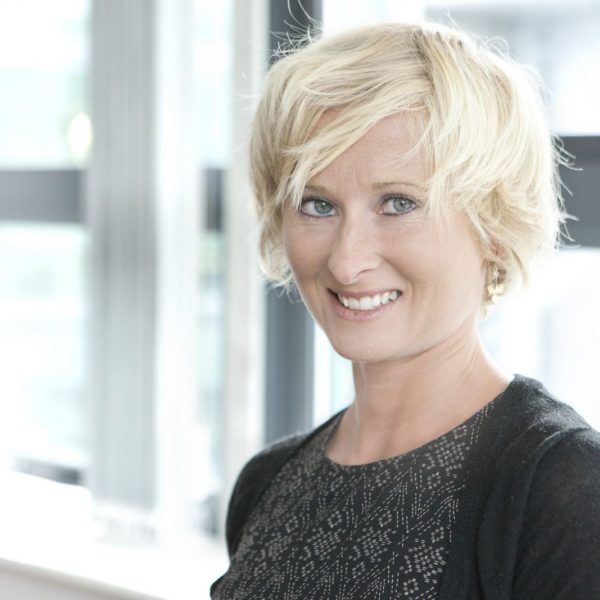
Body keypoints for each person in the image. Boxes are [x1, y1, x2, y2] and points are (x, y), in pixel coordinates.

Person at [211, 21, 600, 599]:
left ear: (494, 225)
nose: (347, 262)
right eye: (317, 205)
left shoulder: (561, 487)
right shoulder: (267, 483)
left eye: (398, 203)